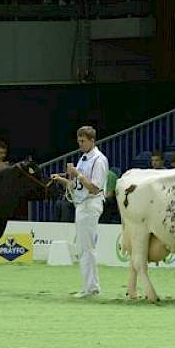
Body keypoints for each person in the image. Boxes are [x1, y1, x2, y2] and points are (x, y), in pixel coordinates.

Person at [50, 126, 108, 298]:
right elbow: (77, 186)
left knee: (87, 248)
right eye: (79, 141)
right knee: (83, 247)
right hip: (81, 203)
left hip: (91, 204)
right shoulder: (84, 158)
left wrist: (78, 174)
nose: (80, 144)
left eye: (83, 141)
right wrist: (62, 180)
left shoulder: (99, 160)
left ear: (92, 140)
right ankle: (89, 286)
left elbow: (95, 188)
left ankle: (91, 288)